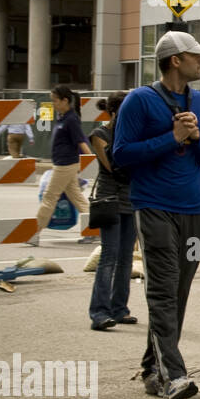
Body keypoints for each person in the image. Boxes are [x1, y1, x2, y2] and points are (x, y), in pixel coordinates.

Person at [112, 30, 200, 399]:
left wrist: (194, 138)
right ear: (175, 59)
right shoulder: (139, 100)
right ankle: (174, 375)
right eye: (196, 55)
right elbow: (122, 154)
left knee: (179, 291)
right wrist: (172, 137)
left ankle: (151, 367)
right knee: (162, 289)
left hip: (194, 209)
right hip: (154, 206)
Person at [87, 92, 137, 332]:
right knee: (110, 255)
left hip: (132, 200)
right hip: (110, 199)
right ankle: (99, 312)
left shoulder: (133, 133)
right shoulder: (100, 135)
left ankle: (120, 309)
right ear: (117, 112)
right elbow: (115, 166)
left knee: (126, 257)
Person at [27, 85, 93, 247]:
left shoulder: (71, 119)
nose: (53, 104)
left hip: (66, 164)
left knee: (50, 197)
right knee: (78, 199)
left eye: (55, 101)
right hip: (64, 163)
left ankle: (34, 234)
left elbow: (81, 141)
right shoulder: (62, 117)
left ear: (65, 100)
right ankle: (95, 230)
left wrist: (92, 161)